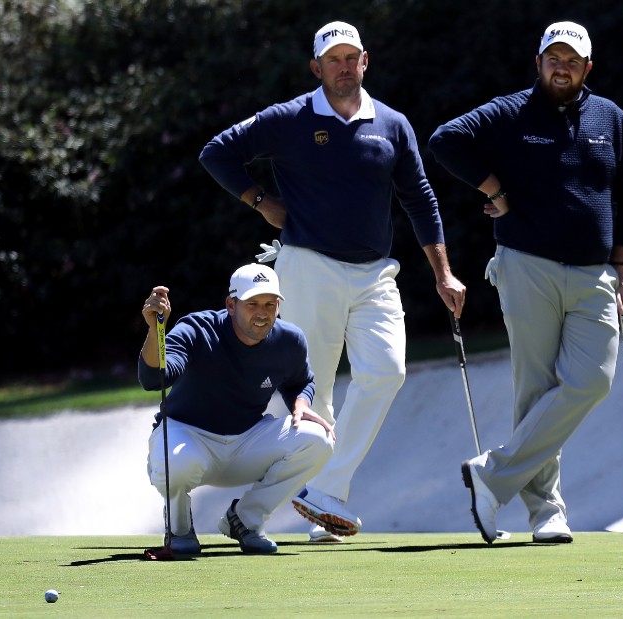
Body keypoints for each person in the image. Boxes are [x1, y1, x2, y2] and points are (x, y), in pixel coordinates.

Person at [199, 21, 466, 542]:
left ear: (365, 61)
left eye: (352, 58)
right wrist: (259, 201)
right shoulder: (288, 118)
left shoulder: (392, 124)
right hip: (309, 266)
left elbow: (421, 200)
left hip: (375, 273)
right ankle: (301, 508)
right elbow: (217, 152)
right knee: (312, 394)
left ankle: (325, 491)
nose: (344, 67)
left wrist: (444, 272)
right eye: (333, 59)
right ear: (316, 68)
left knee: (387, 372)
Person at [427, 21, 623, 544]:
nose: (561, 65)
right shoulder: (510, 111)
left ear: (587, 68)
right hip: (527, 264)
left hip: (595, 272)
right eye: (553, 56)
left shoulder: (609, 117)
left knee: (592, 379)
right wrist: (494, 189)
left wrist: (621, 265)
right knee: (536, 389)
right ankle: (546, 513)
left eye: (572, 59)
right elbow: (445, 140)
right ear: (539, 62)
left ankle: (492, 475)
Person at [138, 264, 335, 554]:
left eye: (270, 304)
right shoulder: (197, 329)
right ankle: (179, 529)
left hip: (246, 442)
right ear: (231, 304)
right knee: (176, 462)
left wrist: (301, 403)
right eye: (252, 304)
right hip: (188, 438)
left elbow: (301, 381)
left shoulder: (289, 340)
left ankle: (245, 520)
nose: (262, 313)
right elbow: (154, 378)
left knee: (319, 438)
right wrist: (156, 331)